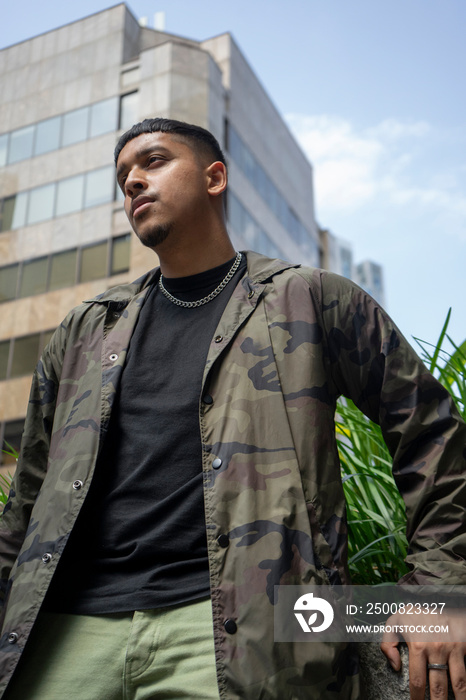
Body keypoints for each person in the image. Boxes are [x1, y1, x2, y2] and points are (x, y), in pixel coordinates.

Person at [0, 117, 465, 700]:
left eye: (153, 161)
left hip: (242, 635)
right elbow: (29, 496)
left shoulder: (311, 299)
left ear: (214, 176)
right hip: (70, 631)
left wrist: (439, 597)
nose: (133, 183)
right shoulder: (87, 330)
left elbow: (433, 433)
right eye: (122, 178)